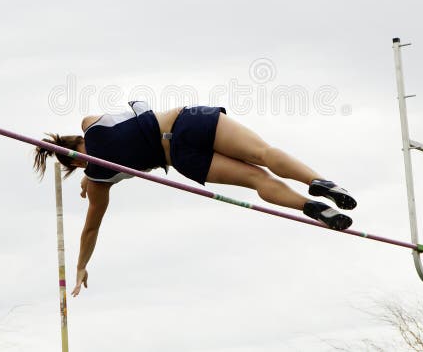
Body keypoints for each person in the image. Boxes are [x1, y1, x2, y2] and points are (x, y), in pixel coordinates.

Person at [33, 101, 357, 297]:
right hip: (186, 121)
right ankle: (319, 182)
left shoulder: (99, 182)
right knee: (264, 154)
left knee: (257, 179)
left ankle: (310, 207)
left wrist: (81, 266)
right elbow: (108, 124)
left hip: (179, 157)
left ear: (73, 164)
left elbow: (90, 230)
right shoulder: (90, 126)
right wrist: (88, 172)